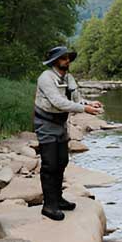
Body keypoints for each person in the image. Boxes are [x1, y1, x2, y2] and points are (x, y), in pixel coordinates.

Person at [34, 46, 102, 221]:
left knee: (62, 161)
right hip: (46, 123)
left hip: (61, 124)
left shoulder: (69, 77)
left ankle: (58, 199)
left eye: (68, 58)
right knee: (49, 164)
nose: (68, 61)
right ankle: (49, 206)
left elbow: (76, 99)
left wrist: (89, 103)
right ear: (55, 61)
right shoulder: (45, 78)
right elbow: (58, 102)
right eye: (64, 58)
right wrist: (84, 109)